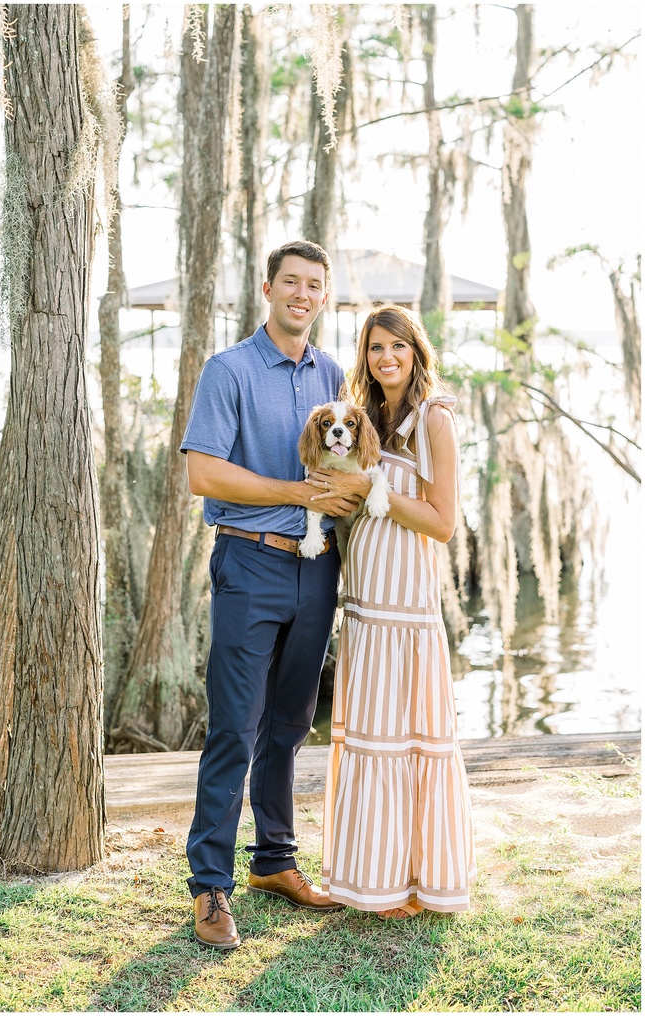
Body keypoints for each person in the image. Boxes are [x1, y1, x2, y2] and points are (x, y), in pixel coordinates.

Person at [180, 240, 353, 950]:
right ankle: (211, 887)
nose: (302, 295)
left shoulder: (334, 373)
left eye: (314, 285)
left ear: (322, 295)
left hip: (317, 569)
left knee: (287, 725)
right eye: (291, 282)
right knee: (233, 728)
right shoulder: (229, 371)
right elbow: (203, 474)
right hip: (250, 566)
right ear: (268, 288)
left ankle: (274, 862)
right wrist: (290, 492)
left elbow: (359, 463)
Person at [306, 304, 476, 918]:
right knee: (370, 739)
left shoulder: (435, 418)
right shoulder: (366, 415)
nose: (386, 359)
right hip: (366, 604)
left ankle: (413, 881)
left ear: (416, 351)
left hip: (408, 608)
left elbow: (443, 522)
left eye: (397, 348)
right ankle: (368, 878)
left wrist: (378, 497)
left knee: (406, 741)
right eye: (376, 349)